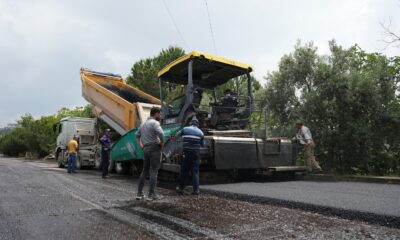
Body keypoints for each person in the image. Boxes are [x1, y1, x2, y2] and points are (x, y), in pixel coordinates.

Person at [135, 107, 165, 201]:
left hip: (146, 149)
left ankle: (139, 194)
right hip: (154, 148)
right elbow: (161, 134)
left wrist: (141, 145)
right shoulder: (155, 123)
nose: (160, 116)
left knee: (144, 171)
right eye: (159, 114)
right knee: (153, 172)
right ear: (155, 114)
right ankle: (151, 195)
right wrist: (161, 143)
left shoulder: (143, 124)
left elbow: (136, 135)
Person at [176, 117, 204, 195]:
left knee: (184, 171)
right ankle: (196, 190)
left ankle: (181, 188)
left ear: (190, 123)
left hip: (186, 154)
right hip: (196, 154)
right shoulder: (201, 133)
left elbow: (176, 136)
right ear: (197, 124)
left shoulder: (185, 129)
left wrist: (178, 139)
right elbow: (202, 144)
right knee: (195, 172)